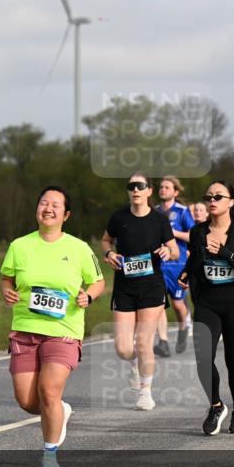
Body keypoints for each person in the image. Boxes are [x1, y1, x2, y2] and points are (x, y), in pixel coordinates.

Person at [0, 187, 106, 467]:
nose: (48, 208)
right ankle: (60, 410)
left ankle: (49, 455)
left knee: (48, 391)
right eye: (43, 202)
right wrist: (7, 292)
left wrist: (89, 296)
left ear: (66, 214)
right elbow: (6, 279)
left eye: (55, 205)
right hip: (24, 329)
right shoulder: (19, 246)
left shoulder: (79, 248)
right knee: (27, 401)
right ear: (37, 209)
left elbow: (98, 282)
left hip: (64, 329)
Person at [178, 181, 234, 435]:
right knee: (202, 359)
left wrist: (226, 254)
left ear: (231, 202)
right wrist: (186, 273)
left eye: (218, 196)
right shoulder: (198, 232)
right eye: (209, 196)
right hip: (207, 302)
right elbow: (196, 262)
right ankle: (216, 405)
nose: (212, 200)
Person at [102, 173, 179, 411]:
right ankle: (134, 363)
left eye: (140, 186)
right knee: (124, 348)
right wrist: (109, 254)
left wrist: (168, 252)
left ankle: (145, 391)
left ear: (149, 191)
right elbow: (106, 241)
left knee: (144, 342)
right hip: (124, 287)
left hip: (152, 287)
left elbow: (174, 249)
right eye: (131, 186)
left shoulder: (159, 219)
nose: (136, 190)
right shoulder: (118, 217)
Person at [153, 176, 195, 357]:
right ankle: (163, 342)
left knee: (178, 305)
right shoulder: (153, 211)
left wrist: (173, 233)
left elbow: (194, 236)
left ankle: (183, 327)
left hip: (177, 265)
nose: (163, 190)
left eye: (167, 187)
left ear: (175, 192)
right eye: (161, 187)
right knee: (159, 304)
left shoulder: (183, 211)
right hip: (158, 265)